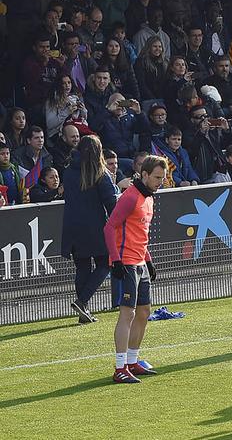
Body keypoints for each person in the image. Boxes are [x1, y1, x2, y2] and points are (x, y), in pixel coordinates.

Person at [103, 155, 168, 383]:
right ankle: (120, 367)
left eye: (163, 177)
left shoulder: (148, 199)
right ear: (145, 175)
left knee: (143, 312)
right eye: (158, 177)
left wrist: (148, 260)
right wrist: (116, 260)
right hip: (127, 262)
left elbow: (141, 235)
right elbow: (109, 227)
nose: (161, 182)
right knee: (127, 313)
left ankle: (132, 361)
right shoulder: (130, 197)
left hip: (139, 261)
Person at [61, 136, 121, 324]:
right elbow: (111, 202)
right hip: (95, 226)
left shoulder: (68, 171)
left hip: (72, 225)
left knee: (82, 267)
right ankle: (82, 301)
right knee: (105, 264)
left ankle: (83, 311)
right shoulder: (99, 173)